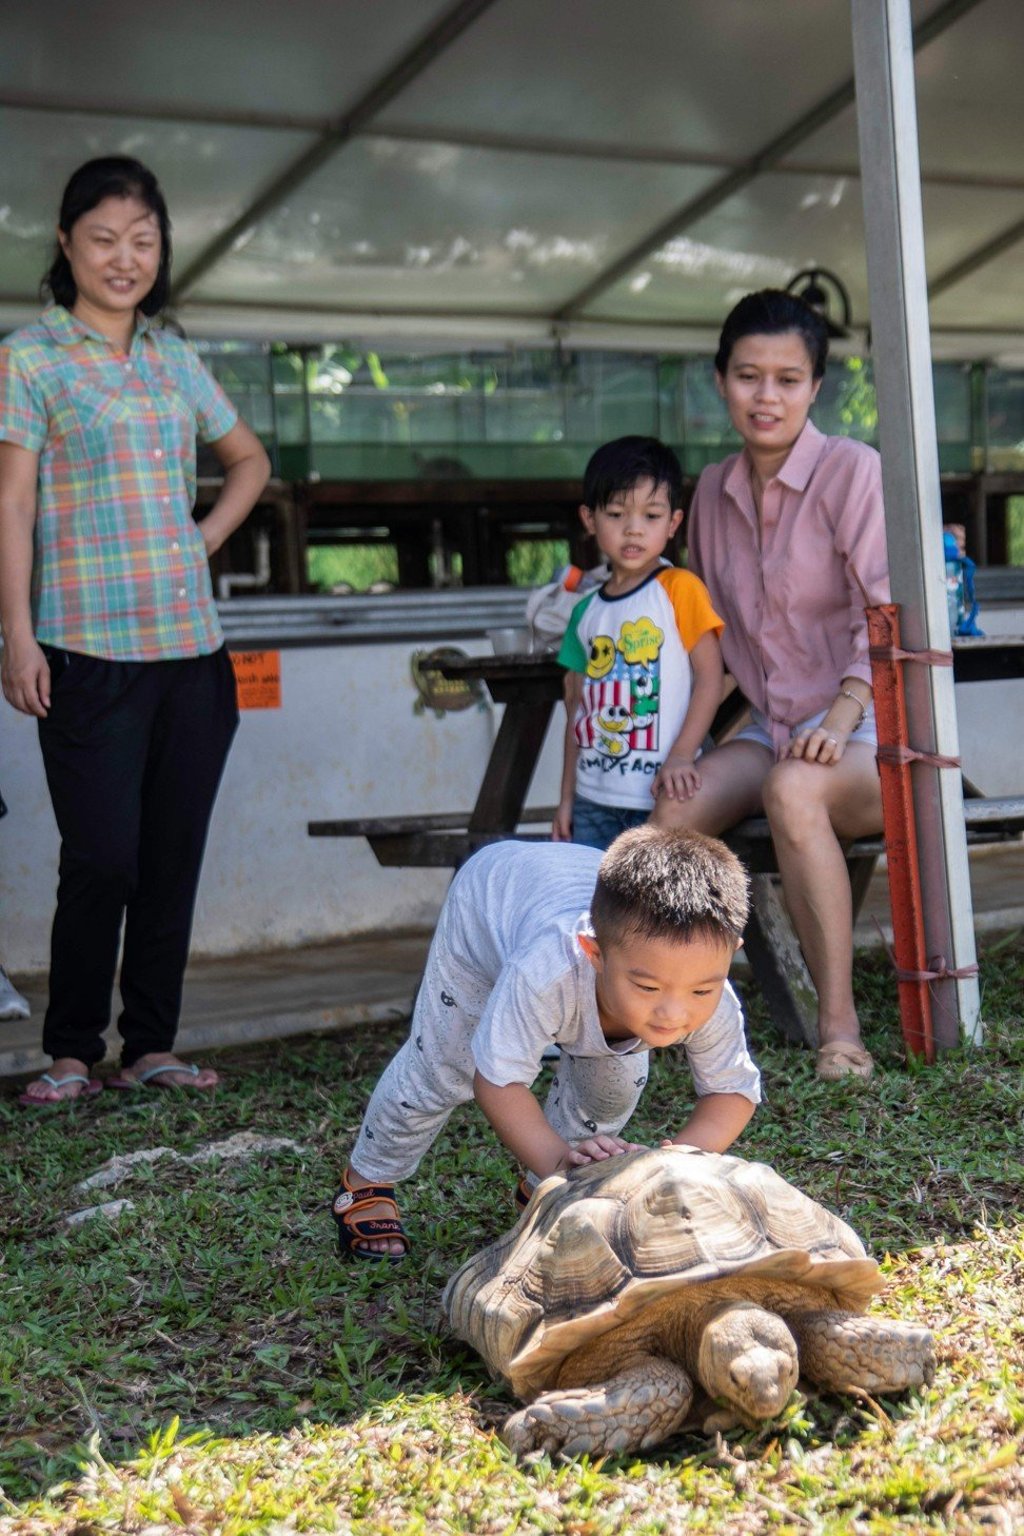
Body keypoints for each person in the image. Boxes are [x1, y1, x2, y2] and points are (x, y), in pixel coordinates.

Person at [0, 157, 270, 1104]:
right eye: (105, 238)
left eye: (143, 241)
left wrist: (201, 538)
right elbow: (13, 498)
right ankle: (72, 1047)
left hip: (191, 654)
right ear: (67, 242)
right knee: (102, 856)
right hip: (83, 650)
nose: (125, 257)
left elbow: (247, 460)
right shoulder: (28, 357)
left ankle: (151, 1043)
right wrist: (17, 635)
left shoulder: (172, 357)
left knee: (168, 858)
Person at [652, 290, 889, 1082]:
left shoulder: (853, 472)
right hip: (770, 724)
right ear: (720, 381)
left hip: (869, 728)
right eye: (749, 376)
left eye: (788, 379)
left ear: (816, 386)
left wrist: (844, 709)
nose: (767, 396)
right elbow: (710, 638)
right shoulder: (712, 495)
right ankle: (669, 1014)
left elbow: (886, 615)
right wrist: (694, 744)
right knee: (676, 810)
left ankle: (838, 1028)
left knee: (795, 790)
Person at [333, 826, 761, 1260]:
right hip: (490, 901)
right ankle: (367, 1178)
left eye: (700, 992)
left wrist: (677, 1162)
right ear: (595, 953)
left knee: (613, 1085)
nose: (674, 1012)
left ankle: (545, 1191)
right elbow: (498, 1082)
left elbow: (732, 1090)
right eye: (647, 988)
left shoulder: (706, 986)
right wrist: (558, 1160)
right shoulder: (544, 973)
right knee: (446, 1064)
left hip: (564, 889)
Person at [553, 437, 725, 850]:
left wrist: (683, 754)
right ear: (589, 519)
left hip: (658, 795)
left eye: (651, 515)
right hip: (592, 800)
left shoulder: (679, 589)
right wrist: (566, 799)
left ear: (673, 523)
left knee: (649, 910)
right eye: (616, 514)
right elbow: (576, 710)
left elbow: (711, 678)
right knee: (589, 908)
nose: (633, 529)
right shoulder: (585, 611)